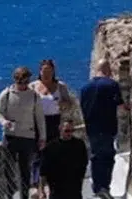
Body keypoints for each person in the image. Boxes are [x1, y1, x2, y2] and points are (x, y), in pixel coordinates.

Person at [0, 66, 47, 199]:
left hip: (27, 137)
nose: (23, 85)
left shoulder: (34, 96)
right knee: (8, 169)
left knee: (25, 171)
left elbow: (40, 118)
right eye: (20, 82)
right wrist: (4, 122)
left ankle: (24, 196)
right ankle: (9, 195)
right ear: (15, 80)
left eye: (26, 82)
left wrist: (42, 137)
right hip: (10, 137)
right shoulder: (6, 94)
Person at [79, 60, 125, 199]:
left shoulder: (85, 88)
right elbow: (121, 105)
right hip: (107, 127)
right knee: (108, 157)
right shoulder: (111, 85)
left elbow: (82, 107)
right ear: (108, 69)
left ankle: (97, 187)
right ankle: (104, 187)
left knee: (95, 156)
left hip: (91, 128)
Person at [32, 59, 80, 188]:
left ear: (53, 72)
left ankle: (53, 179)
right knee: (39, 152)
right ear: (40, 71)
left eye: (49, 71)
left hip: (56, 121)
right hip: (39, 122)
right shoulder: (33, 87)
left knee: (54, 151)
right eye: (44, 71)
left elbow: (70, 104)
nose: (46, 74)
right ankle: (37, 182)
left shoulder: (61, 86)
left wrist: (63, 104)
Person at [40, 119, 89, 199]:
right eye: (67, 131)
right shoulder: (51, 147)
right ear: (60, 129)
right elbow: (43, 170)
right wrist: (42, 190)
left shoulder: (79, 145)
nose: (69, 133)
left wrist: (80, 183)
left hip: (74, 189)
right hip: (56, 189)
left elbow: (83, 165)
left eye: (72, 131)